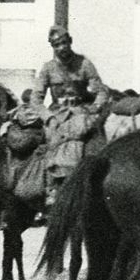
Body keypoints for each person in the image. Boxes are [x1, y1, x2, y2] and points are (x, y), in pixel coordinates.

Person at [31, 26, 110, 204]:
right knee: (51, 140)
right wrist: (48, 117)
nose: (61, 47)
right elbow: (35, 99)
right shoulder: (48, 68)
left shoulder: (84, 64)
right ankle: (51, 186)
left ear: (70, 41)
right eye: (57, 45)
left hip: (81, 111)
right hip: (57, 114)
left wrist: (95, 106)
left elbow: (101, 91)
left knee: (89, 138)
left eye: (64, 43)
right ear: (52, 46)